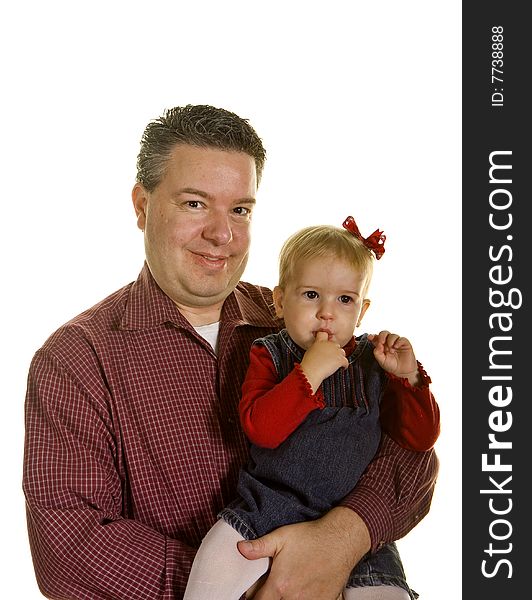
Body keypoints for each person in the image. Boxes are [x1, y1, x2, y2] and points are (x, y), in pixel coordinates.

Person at [23, 105, 439, 600]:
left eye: (240, 209)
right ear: (142, 206)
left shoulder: (301, 319)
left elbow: (413, 461)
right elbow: (68, 548)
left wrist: (341, 540)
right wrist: (256, 580)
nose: (222, 234)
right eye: (195, 203)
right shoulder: (76, 359)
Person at [183, 219, 440, 600]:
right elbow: (262, 428)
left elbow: (419, 439)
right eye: (310, 295)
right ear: (280, 300)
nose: (326, 313)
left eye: (344, 300)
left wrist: (409, 380)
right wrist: (308, 373)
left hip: (355, 526)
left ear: (363, 311)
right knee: (209, 576)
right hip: (266, 508)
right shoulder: (270, 354)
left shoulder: (373, 362)